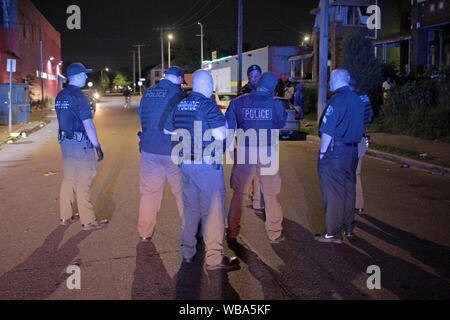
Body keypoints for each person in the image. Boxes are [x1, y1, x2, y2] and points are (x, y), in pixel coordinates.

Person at [165, 70, 240, 272]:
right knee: (213, 211)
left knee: (190, 210)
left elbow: (168, 130)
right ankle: (214, 258)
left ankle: (188, 252)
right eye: (211, 84)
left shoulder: (180, 104)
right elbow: (220, 133)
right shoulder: (208, 105)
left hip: (186, 165)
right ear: (207, 85)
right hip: (207, 167)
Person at [226, 72, 287, 245]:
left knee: (239, 193)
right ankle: (275, 233)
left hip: (245, 151)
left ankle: (232, 231)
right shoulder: (276, 105)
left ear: (258, 83)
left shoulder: (239, 102)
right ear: (274, 88)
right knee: (270, 194)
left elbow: (229, 129)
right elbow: (280, 124)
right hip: (267, 152)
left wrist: (232, 152)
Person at [137, 67, 187, 242]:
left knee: (149, 193)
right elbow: (182, 121)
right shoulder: (178, 94)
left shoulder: (149, 92)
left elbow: (141, 114)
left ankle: (144, 234)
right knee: (182, 193)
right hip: (171, 149)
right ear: (180, 79)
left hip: (148, 148)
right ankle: (190, 234)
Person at [315, 69, 365, 244]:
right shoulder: (358, 100)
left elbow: (327, 131)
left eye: (330, 79)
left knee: (334, 193)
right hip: (352, 152)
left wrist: (322, 153)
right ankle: (348, 228)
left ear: (337, 80)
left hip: (336, 153)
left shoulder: (337, 100)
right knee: (349, 190)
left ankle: (332, 233)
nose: (329, 83)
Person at [55, 63, 106, 231]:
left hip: (65, 142)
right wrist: (96, 145)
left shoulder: (61, 95)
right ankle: (88, 220)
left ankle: (65, 216)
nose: (86, 77)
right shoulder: (80, 97)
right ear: (76, 76)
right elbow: (88, 125)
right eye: (84, 74)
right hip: (80, 144)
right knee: (85, 178)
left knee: (69, 178)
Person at [237, 65, 264, 211]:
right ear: (248, 77)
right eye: (252, 75)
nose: (255, 78)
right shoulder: (244, 92)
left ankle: (258, 201)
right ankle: (246, 194)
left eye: (257, 75)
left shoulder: (265, 92)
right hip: (247, 137)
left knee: (260, 171)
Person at [349, 77, 374, 216]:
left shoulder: (349, 99)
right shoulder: (364, 97)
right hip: (362, 139)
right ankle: (359, 205)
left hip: (350, 140)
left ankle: (348, 205)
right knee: (356, 173)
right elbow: (370, 117)